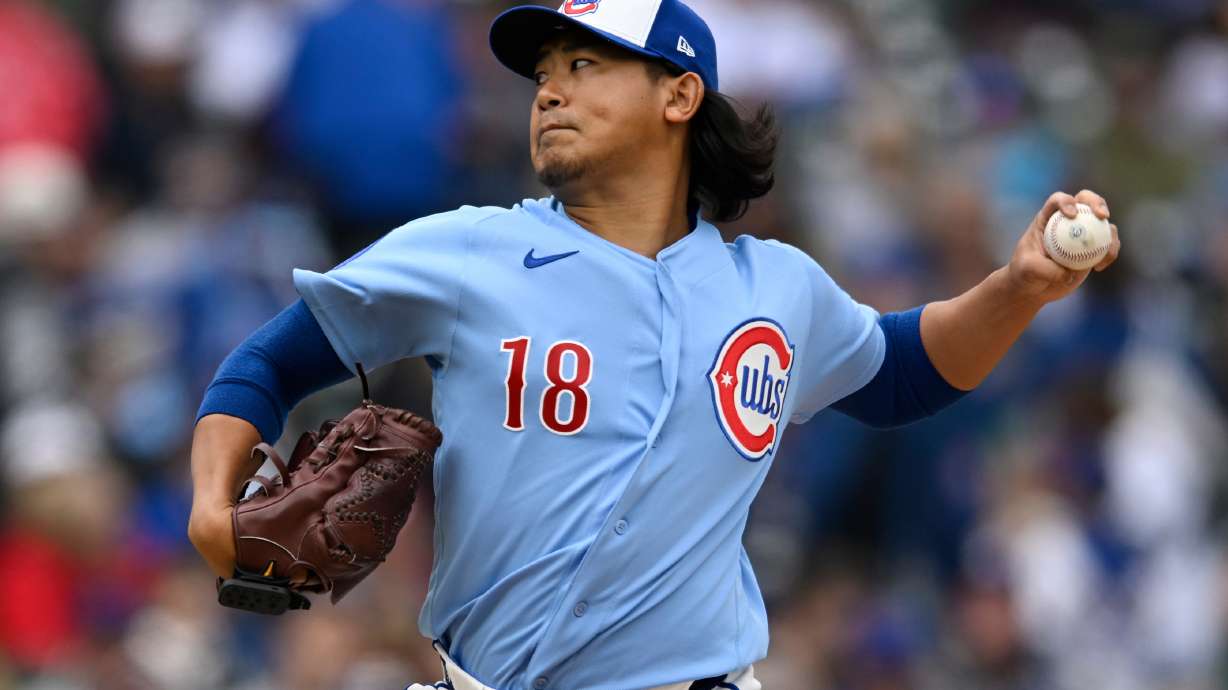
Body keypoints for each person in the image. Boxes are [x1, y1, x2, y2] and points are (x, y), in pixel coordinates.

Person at [187, 1, 1121, 689]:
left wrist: (1018, 288)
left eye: (586, 63)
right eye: (544, 68)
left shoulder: (775, 286)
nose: (549, 87)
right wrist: (209, 504)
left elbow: (899, 373)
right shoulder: (470, 250)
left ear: (679, 94)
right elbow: (268, 364)